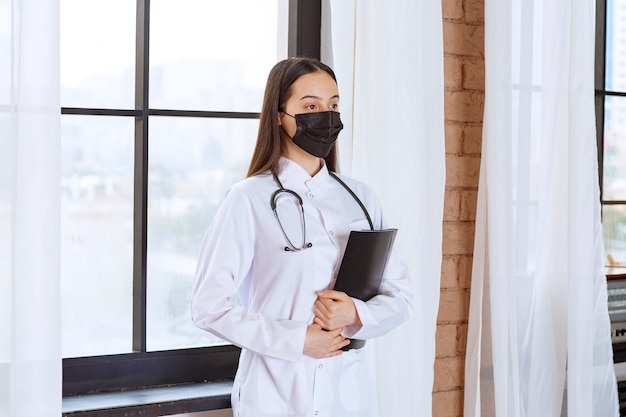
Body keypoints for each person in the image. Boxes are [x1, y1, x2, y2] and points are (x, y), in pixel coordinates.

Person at [191, 57, 412, 417]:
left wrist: (355, 313)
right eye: (311, 106)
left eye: (333, 105)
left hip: (348, 395)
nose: (326, 116)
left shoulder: (360, 198)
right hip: (277, 393)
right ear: (279, 116)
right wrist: (297, 341)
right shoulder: (248, 199)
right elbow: (207, 307)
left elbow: (401, 297)